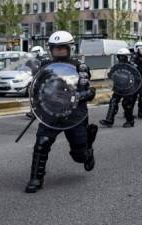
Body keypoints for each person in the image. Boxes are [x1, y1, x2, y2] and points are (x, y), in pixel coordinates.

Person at [25, 31, 97, 193]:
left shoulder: (80, 67)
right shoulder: (45, 67)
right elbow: (37, 89)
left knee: (78, 156)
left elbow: (86, 91)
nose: (58, 51)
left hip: (74, 115)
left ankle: (88, 150)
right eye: (55, 48)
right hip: (51, 114)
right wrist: (39, 100)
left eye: (61, 48)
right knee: (41, 144)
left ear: (69, 48)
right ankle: (36, 178)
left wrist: (82, 94)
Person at [99, 48, 138, 128]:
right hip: (118, 87)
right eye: (120, 56)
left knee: (126, 104)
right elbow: (110, 74)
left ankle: (130, 121)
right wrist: (111, 75)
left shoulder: (132, 66)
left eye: (123, 57)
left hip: (129, 89)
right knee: (113, 101)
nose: (121, 58)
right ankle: (109, 120)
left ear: (127, 57)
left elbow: (137, 77)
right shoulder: (117, 66)